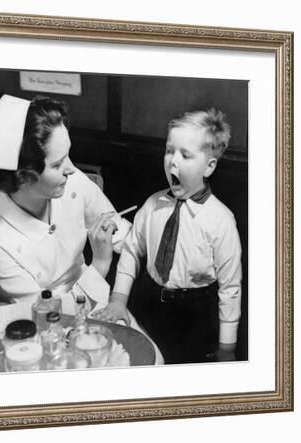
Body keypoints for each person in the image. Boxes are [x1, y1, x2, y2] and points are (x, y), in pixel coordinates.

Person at [93, 108, 242, 364]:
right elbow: (131, 251)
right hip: (148, 304)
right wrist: (118, 300)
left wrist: (227, 346)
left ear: (209, 166)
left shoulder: (222, 221)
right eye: (169, 150)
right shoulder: (151, 205)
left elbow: (230, 288)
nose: (173, 161)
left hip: (195, 315)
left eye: (185, 155)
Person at [0, 91, 130, 315]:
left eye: (68, 155)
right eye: (57, 165)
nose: (72, 169)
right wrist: (100, 265)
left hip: (94, 300)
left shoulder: (71, 182)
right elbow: (44, 315)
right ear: (23, 176)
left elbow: (125, 236)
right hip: (39, 324)